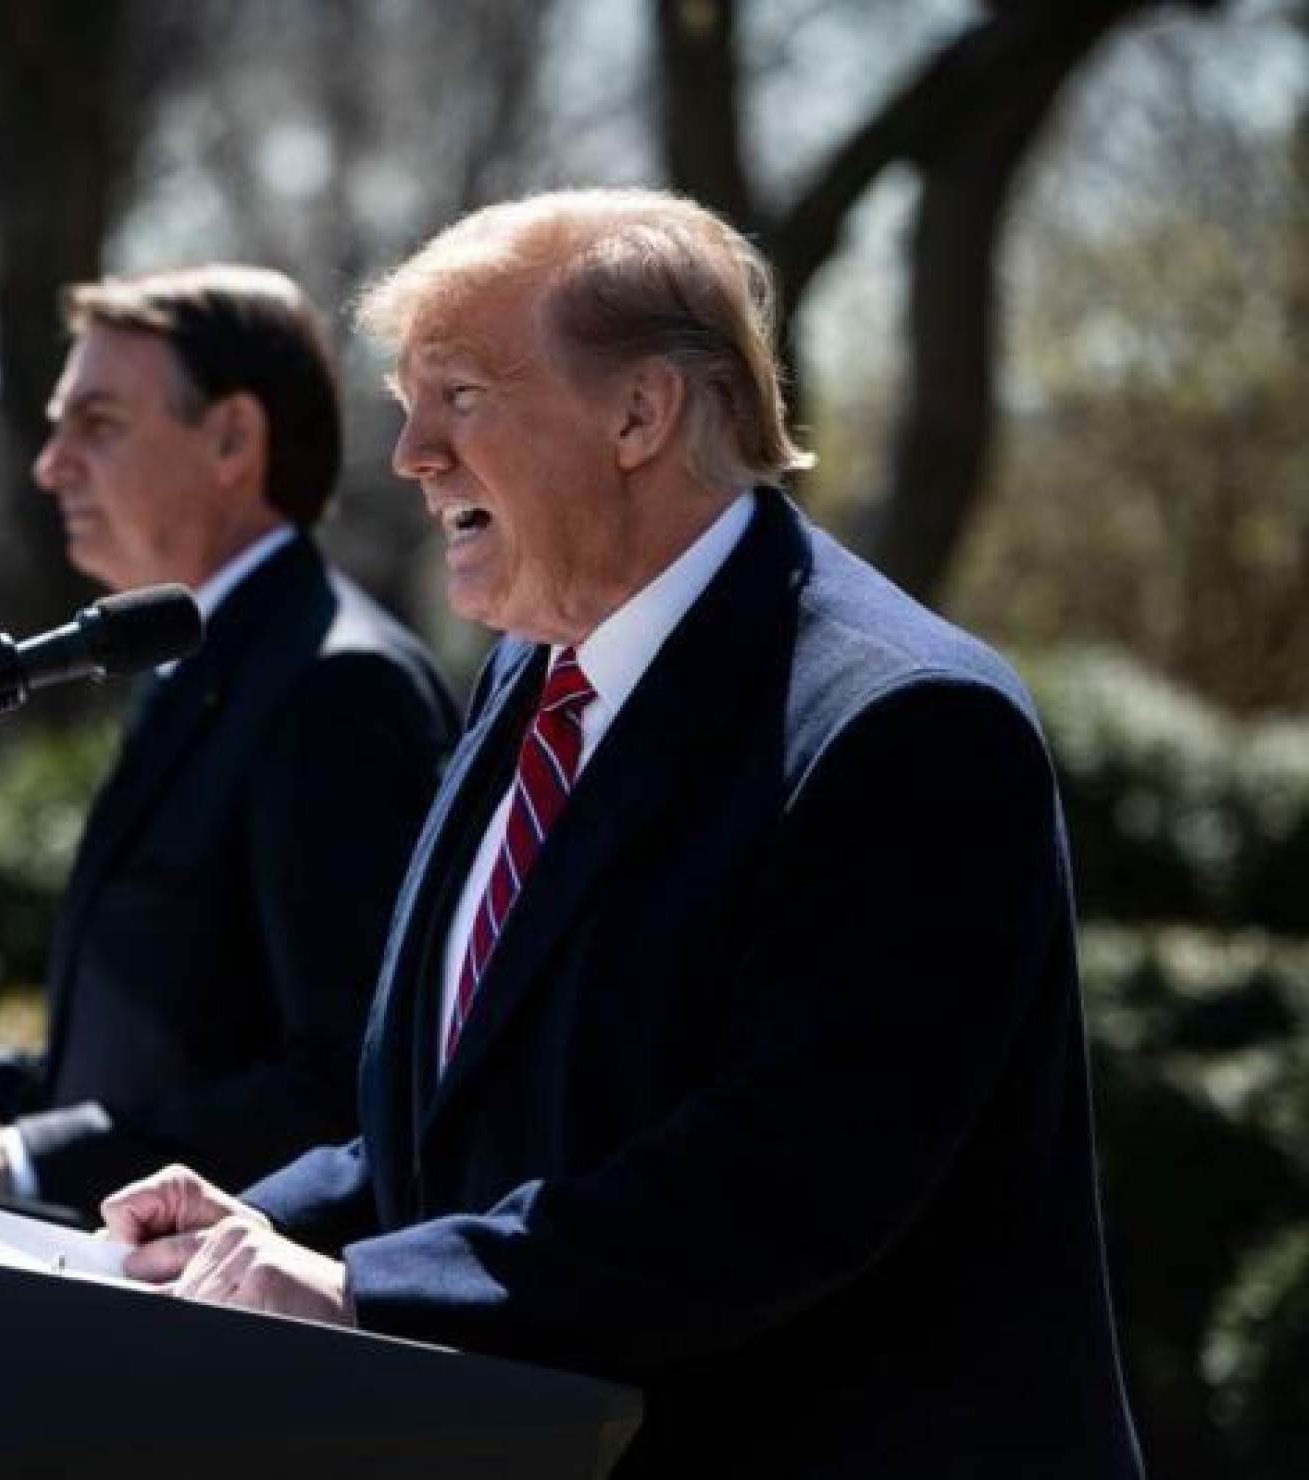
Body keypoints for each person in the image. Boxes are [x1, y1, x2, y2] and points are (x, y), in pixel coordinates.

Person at [102, 191, 1142, 1477]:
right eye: (404, 402)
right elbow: (461, 1122)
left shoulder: (909, 725)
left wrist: (361, 1287)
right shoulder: (526, 677)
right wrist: (250, 1226)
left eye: (460, 395)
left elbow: (779, 1184)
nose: (410, 453)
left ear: (640, 414)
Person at [0, 265, 455, 1217]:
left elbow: (345, 1092)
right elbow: (141, 1060)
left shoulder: (334, 686)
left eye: (98, 424)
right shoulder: (195, 664)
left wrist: (25, 1163)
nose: (50, 463)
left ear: (233, 438)